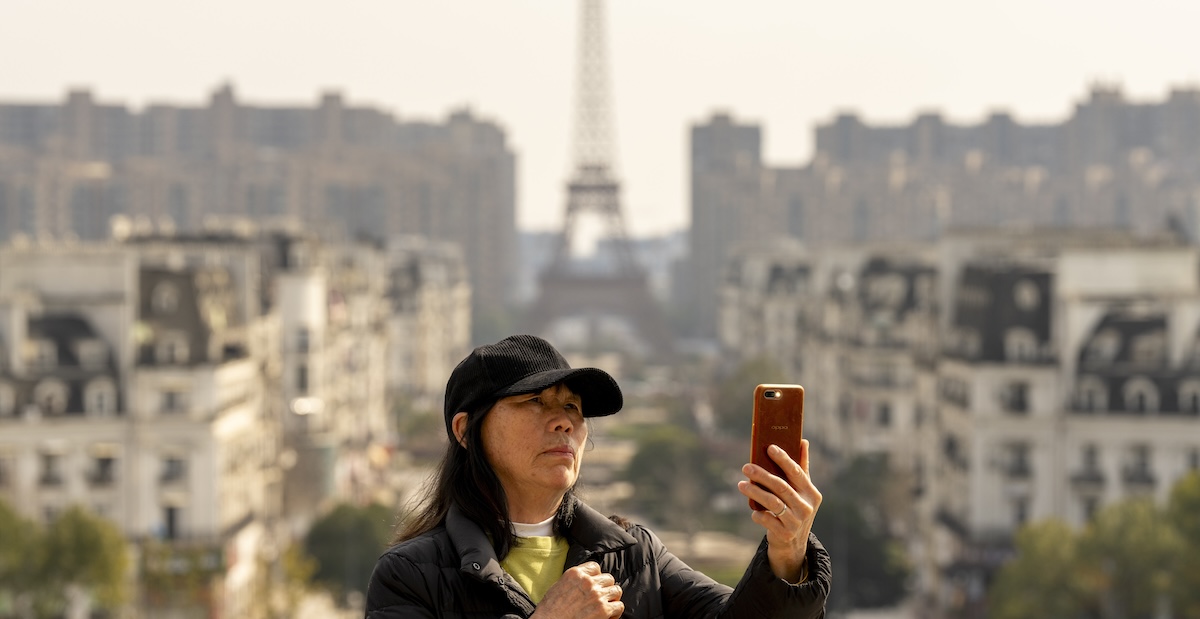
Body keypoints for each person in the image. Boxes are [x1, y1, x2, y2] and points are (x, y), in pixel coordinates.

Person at [365, 335, 830, 618]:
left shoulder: (636, 556)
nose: (564, 422)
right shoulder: (410, 575)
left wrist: (787, 555)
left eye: (572, 407)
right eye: (534, 403)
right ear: (466, 430)